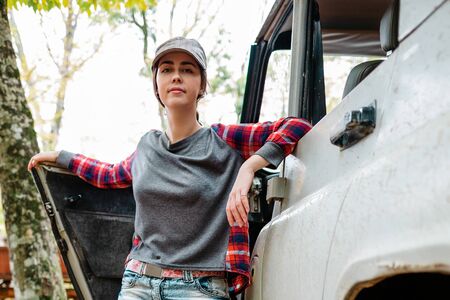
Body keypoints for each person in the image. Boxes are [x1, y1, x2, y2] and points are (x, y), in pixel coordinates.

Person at [28, 37, 312, 299]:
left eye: (187, 69)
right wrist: (60, 157)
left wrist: (249, 167)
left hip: (199, 287)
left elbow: (297, 126)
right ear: (157, 85)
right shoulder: (147, 146)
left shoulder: (223, 140)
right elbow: (109, 174)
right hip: (139, 282)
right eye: (166, 69)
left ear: (201, 85)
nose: (176, 75)